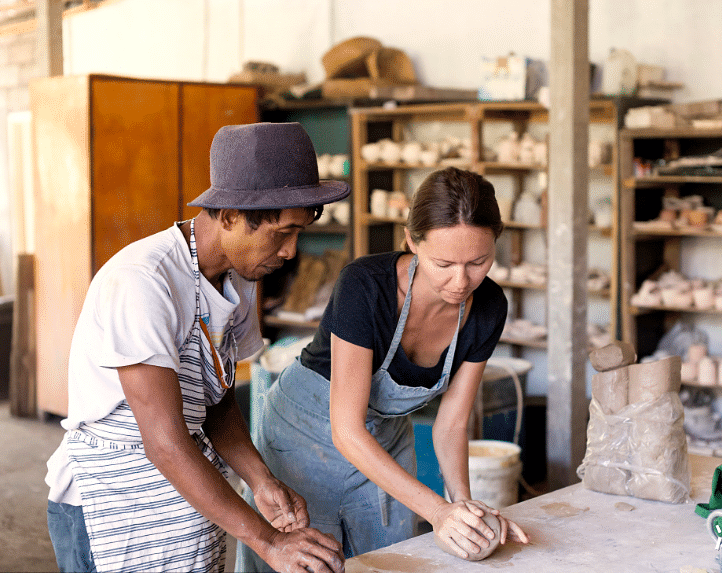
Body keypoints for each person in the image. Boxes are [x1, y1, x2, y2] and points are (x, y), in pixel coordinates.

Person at [44, 122, 349, 573]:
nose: (290, 252)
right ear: (227, 216)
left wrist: (260, 480)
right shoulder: (143, 282)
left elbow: (217, 400)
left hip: (182, 493)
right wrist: (267, 542)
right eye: (281, 233)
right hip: (114, 500)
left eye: (298, 234)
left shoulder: (239, 279)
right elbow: (165, 443)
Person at [237, 167, 529, 571]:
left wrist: (463, 508)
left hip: (385, 438)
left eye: (478, 262)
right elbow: (347, 430)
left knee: (391, 562)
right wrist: (437, 512)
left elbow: (452, 424)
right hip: (306, 437)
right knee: (309, 560)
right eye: (443, 263)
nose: (461, 281)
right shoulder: (366, 285)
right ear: (411, 241)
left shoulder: (490, 306)